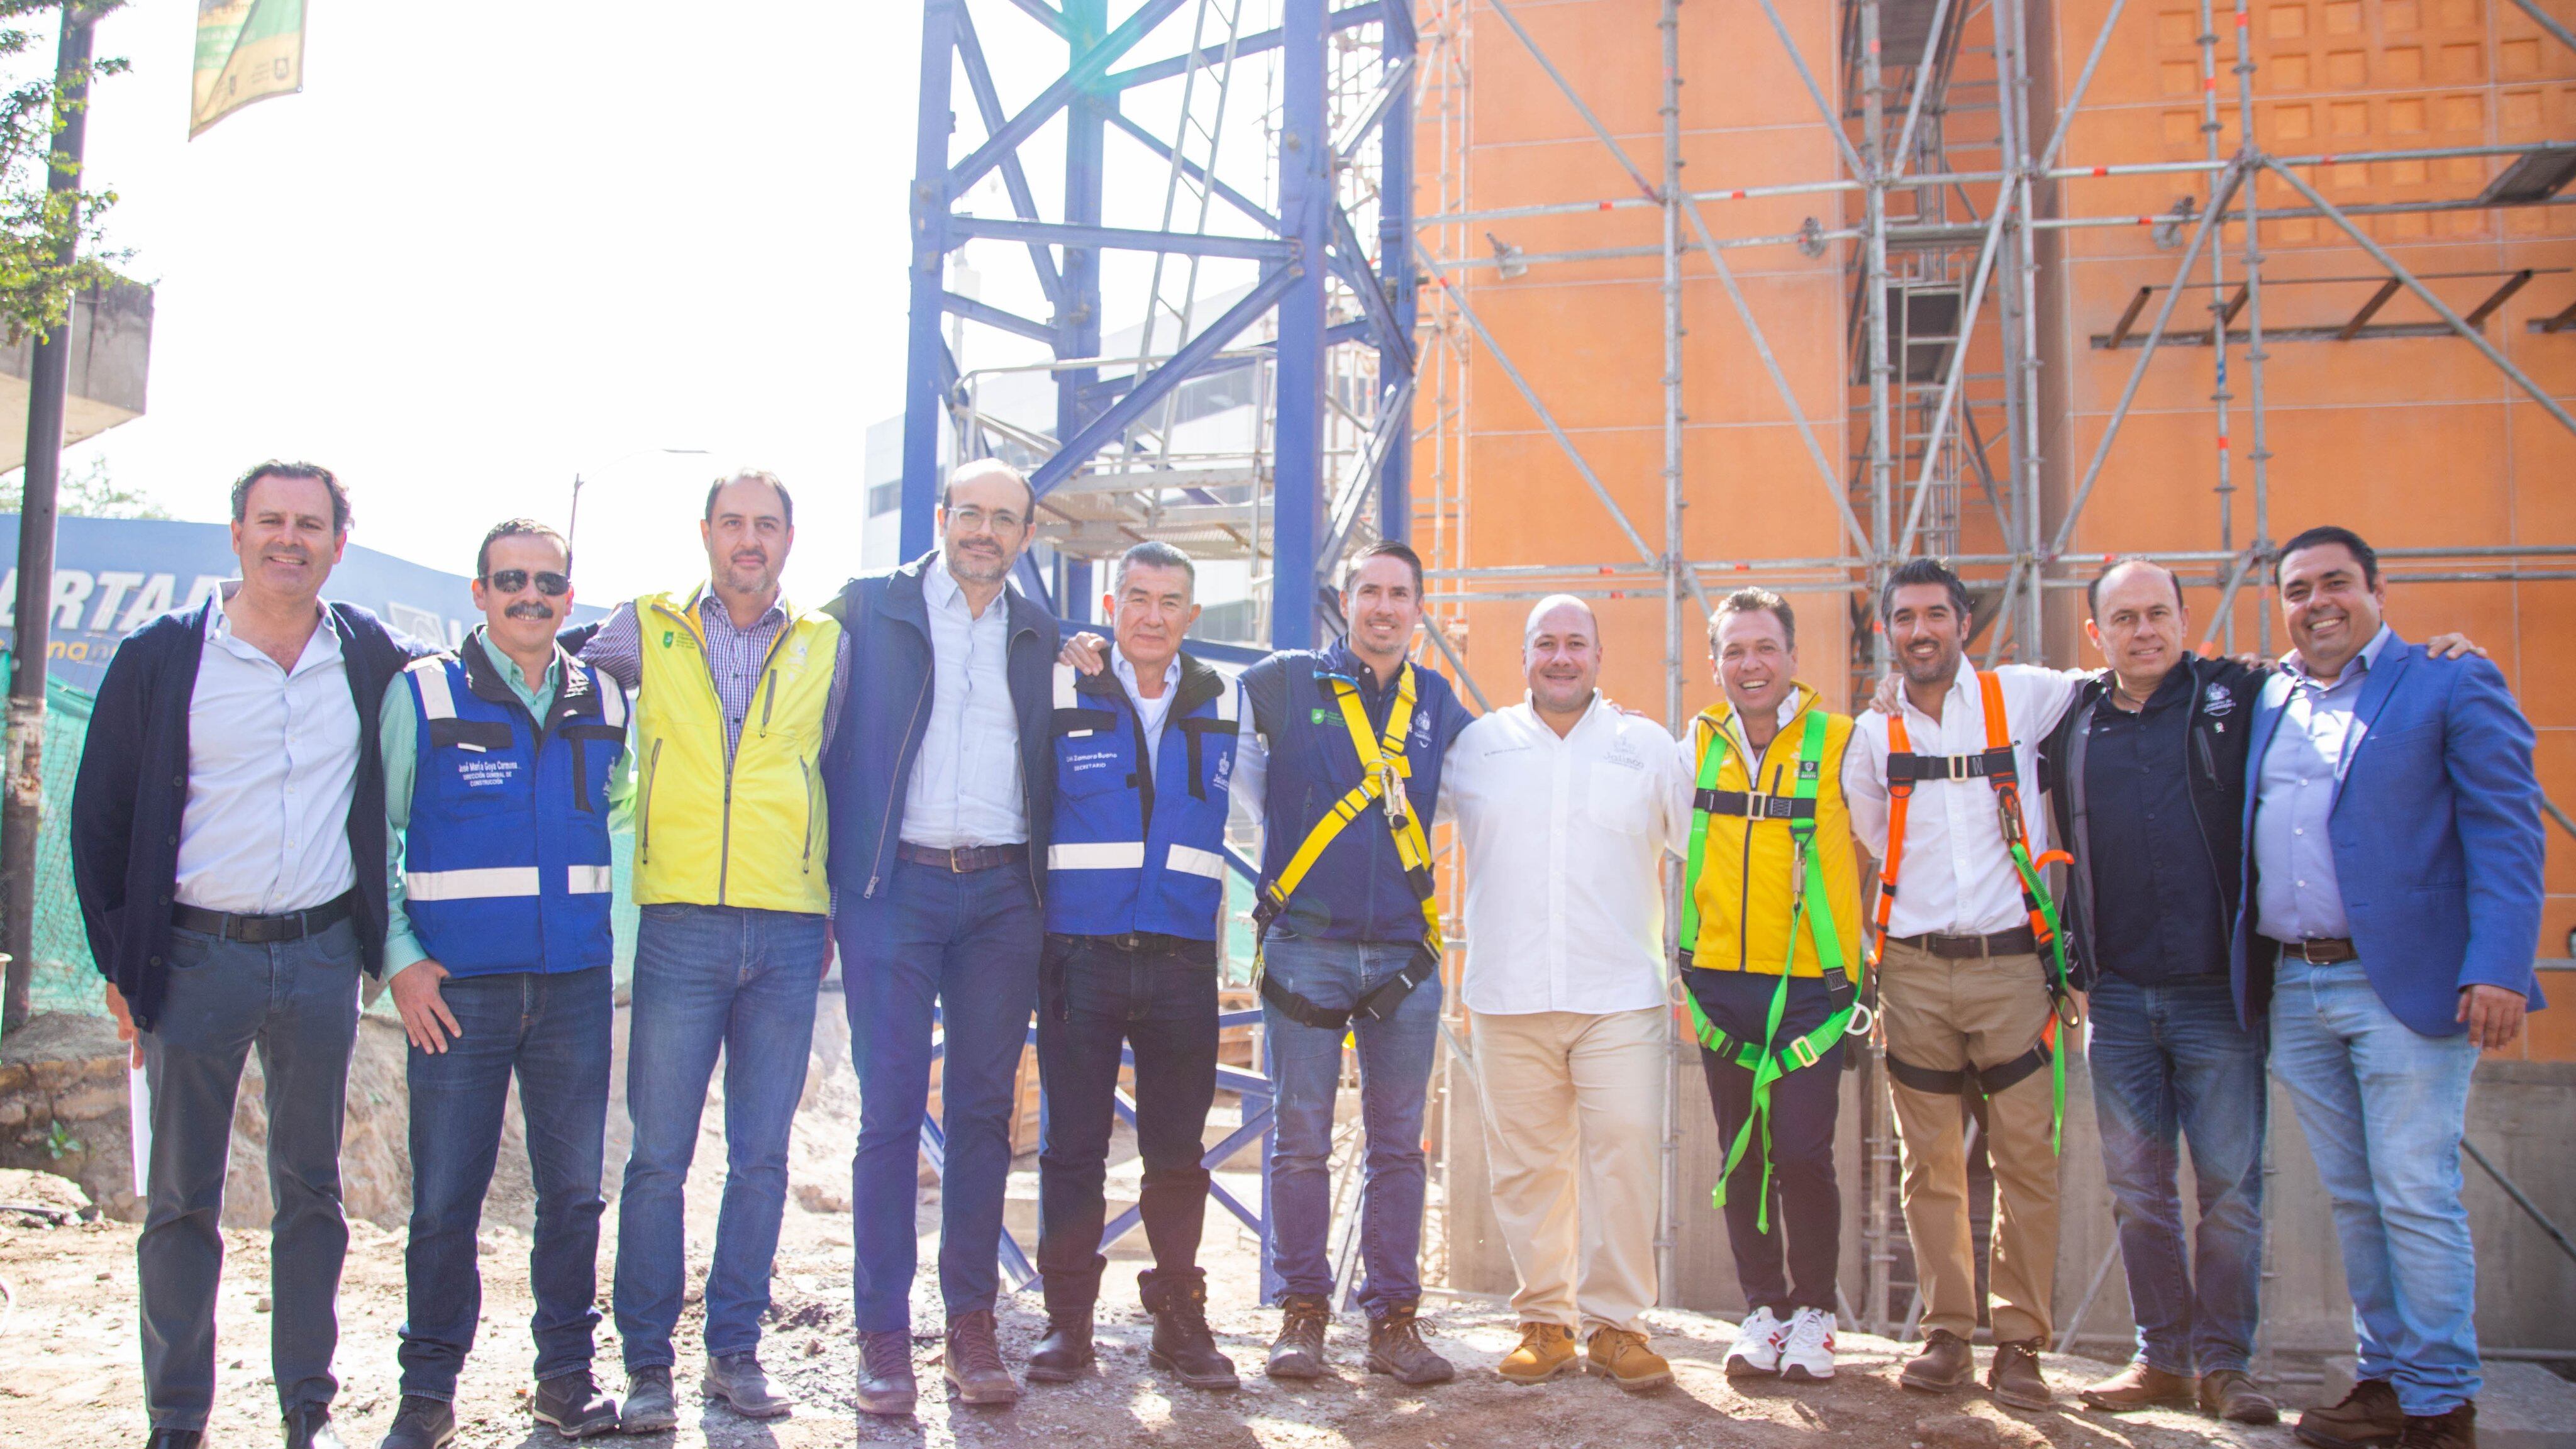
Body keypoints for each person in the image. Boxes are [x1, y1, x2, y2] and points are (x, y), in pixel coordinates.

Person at [72, 462, 430, 1449]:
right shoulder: (162, 658)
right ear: (236, 534)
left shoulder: (370, 656)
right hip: (194, 960)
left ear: (337, 544)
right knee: (181, 1199)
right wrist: (121, 963)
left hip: (320, 960)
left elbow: (486, 666)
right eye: (270, 521)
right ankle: (178, 1417)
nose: (289, 539)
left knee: (312, 1193)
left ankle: (303, 1409)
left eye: (309, 525)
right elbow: (97, 820)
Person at [2236, 527, 2543, 1449]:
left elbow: (2507, 831)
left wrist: (2497, 964)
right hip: (2296, 984)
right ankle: (2384, 1379)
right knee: (2357, 1197)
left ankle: (2442, 1402)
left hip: (2403, 984)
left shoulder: (2450, 680)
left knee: (2415, 1189)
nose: (2317, 601)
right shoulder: (2267, 697)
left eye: (2336, 583)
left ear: (2378, 589)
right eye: (2298, 589)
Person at [577, 471, 847, 1430]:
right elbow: (541, 673)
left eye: (766, 525)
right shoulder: (641, 628)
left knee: (762, 1157)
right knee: (658, 1157)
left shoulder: (825, 643)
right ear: (704, 532)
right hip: (680, 923)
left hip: (785, 931)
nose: (748, 540)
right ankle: (646, 1363)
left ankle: (735, 1350)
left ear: (788, 538)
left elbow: (848, 769)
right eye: (732, 523)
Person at [370, 521, 627, 1449]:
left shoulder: (603, 697)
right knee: (446, 1199)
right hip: (455, 996)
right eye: (510, 579)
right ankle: (428, 1395)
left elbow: (625, 819)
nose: (531, 595)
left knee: (573, 1197)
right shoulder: (424, 692)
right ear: (477, 592)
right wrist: (399, 959)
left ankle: (564, 1379)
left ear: (570, 595)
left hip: (572, 992)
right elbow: (378, 837)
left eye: (549, 581)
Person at [820, 458, 1060, 1414]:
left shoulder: (1038, 634)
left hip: (1002, 897)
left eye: (1005, 520)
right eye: (971, 514)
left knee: (981, 1114)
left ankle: (970, 1325)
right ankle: (882, 1335)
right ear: (941, 517)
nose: (985, 533)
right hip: (893, 892)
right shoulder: (866, 611)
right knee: (887, 1118)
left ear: (1026, 537)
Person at [2039, 557, 2277, 1424]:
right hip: (2122, 999)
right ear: (2097, 636)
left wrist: (2442, 653)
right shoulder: (2073, 720)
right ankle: (2163, 1360)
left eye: (2159, 613)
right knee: (2139, 1193)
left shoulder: (2241, 698)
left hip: (2219, 994)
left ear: (2185, 619)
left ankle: (2226, 1364)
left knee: (2231, 1192)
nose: (2146, 631)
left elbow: (2336, 684)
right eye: (2126, 619)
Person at [1845, 557, 2085, 1412]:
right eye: (1905, 618)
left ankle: (2021, 1344)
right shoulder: (1872, 738)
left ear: (1963, 622)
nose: (1921, 632)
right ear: (1887, 631)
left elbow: (2128, 670)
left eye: (1936, 615)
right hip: (1912, 969)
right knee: (1930, 1163)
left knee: (2028, 1158)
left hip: (2014, 968)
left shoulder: (2025, 697)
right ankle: (1948, 1331)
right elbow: (1877, 838)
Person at [1236, 541, 1474, 1386]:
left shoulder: (1437, 701)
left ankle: (1393, 1322)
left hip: (1403, 957)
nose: (1383, 608)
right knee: (1301, 1139)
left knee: (1398, 1146)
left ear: (1418, 608)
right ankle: (1303, 1313)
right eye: (1369, 592)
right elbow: (1204, 720)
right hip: (1305, 943)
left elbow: (1487, 784)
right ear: (1346, 599)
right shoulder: (1283, 684)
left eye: (1399, 595)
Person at [1438, 596, 1686, 1392]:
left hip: (1620, 991)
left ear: (1599, 656)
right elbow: (1394, 805)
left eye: (1576, 643)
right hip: (1509, 992)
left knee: (1624, 1152)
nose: (1561, 656)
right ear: (1523, 659)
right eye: (1545, 643)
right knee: (1526, 1169)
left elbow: (1707, 840)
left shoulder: (1646, 747)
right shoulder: (1477, 747)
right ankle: (1545, 1321)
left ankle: (1618, 1328)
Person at [1025, 541, 1242, 1394]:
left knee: (1177, 1154)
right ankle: (1067, 1322)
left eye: (1171, 601)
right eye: (1139, 597)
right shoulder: (1058, 685)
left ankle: (1178, 1322)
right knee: (1072, 1151)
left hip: (1183, 962)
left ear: (1192, 615)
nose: (1153, 615)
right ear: (1112, 607)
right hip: (1079, 958)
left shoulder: (1225, 702)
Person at [1677, 589, 1863, 1385]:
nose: (1749, 665)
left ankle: (1814, 1313)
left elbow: (1894, 837)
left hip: (1812, 987)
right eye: (1733, 651)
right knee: (1741, 1153)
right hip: (1721, 982)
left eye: (1764, 648)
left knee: (1801, 1151)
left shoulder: (1845, 743)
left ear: (1791, 656)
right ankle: (1762, 1310)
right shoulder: (1693, 747)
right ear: (1715, 662)